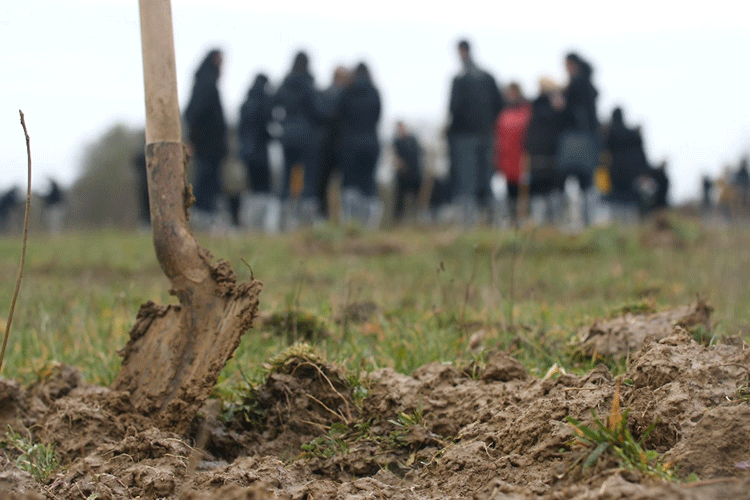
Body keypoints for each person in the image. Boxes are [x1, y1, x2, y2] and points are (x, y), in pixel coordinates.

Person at [447, 39, 504, 227]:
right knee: (485, 179)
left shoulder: (460, 80)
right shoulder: (488, 77)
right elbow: (499, 105)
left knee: (467, 181)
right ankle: (492, 222)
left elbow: (453, 109)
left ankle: (468, 225)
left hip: (465, 137)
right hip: (486, 135)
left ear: (461, 51)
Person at [184, 49, 228, 226]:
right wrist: (193, 139)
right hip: (207, 144)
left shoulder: (204, 82)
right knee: (205, 178)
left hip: (210, 144)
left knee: (210, 178)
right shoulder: (206, 83)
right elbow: (194, 114)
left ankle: (206, 216)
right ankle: (202, 217)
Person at [338, 62, 383, 228]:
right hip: (371, 143)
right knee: (368, 184)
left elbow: (338, 116)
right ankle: (369, 225)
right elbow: (378, 115)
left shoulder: (347, 92)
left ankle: (350, 224)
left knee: (350, 183)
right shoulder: (375, 92)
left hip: (351, 145)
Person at [559, 52, 600, 226]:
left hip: (576, 139)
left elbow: (567, 110)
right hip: (586, 139)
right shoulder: (588, 86)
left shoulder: (576, 86)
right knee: (585, 181)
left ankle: (579, 220)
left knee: (575, 179)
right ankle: (586, 220)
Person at [238, 73, 278, 232]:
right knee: (263, 189)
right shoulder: (263, 103)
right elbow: (265, 128)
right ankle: (260, 224)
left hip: (247, 154)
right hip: (260, 154)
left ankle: (248, 223)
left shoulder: (245, 104)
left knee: (251, 188)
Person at [524, 77, 566, 226]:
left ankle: (543, 222)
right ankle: (549, 222)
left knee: (542, 189)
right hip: (547, 153)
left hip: (541, 153)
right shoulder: (554, 107)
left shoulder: (533, 106)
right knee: (548, 189)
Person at [494, 82, 532, 226]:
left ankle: (526, 220)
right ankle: (512, 221)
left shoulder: (526, 111)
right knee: (510, 191)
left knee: (525, 191)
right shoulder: (503, 113)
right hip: (507, 159)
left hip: (523, 158)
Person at [604, 107, 651, 223]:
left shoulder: (610, 133)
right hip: (631, 172)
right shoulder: (632, 134)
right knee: (630, 199)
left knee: (617, 199)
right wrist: (644, 171)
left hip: (615, 171)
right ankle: (630, 225)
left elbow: (604, 150)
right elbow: (641, 153)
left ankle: (618, 225)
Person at [316, 66, 351, 220]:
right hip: (329, 147)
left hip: (339, 146)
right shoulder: (331, 95)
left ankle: (338, 217)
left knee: (342, 186)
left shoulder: (326, 94)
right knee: (323, 184)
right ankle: (324, 216)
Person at [392, 121, 423, 223]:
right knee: (399, 202)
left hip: (415, 175)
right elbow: (393, 157)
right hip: (402, 177)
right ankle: (398, 222)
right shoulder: (396, 142)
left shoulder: (413, 140)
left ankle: (417, 221)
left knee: (417, 200)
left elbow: (419, 154)